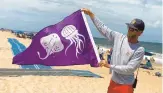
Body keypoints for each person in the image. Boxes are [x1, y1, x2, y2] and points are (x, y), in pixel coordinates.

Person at [82, 8, 145, 93]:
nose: (130, 30)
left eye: (133, 29)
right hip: (113, 82)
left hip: (126, 86)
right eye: (129, 27)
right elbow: (103, 29)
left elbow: (129, 69)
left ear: (140, 33)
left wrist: (109, 66)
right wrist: (91, 15)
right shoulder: (118, 37)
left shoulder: (139, 50)